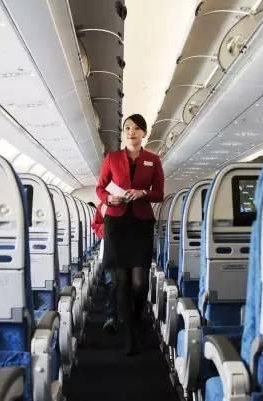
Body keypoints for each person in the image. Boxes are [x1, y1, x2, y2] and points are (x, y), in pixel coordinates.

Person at [96, 113, 164, 355]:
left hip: (140, 224)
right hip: (116, 222)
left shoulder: (153, 160)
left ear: (144, 133)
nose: (131, 132)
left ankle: (135, 317)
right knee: (121, 282)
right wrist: (109, 199)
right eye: (127, 128)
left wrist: (143, 193)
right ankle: (129, 334)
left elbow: (159, 193)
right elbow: (100, 187)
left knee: (139, 283)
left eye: (136, 128)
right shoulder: (112, 158)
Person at [90, 202, 118, 332]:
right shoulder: (103, 205)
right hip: (109, 249)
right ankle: (111, 317)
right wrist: (107, 230)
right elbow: (95, 224)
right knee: (112, 283)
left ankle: (127, 316)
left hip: (128, 249)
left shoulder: (133, 204)